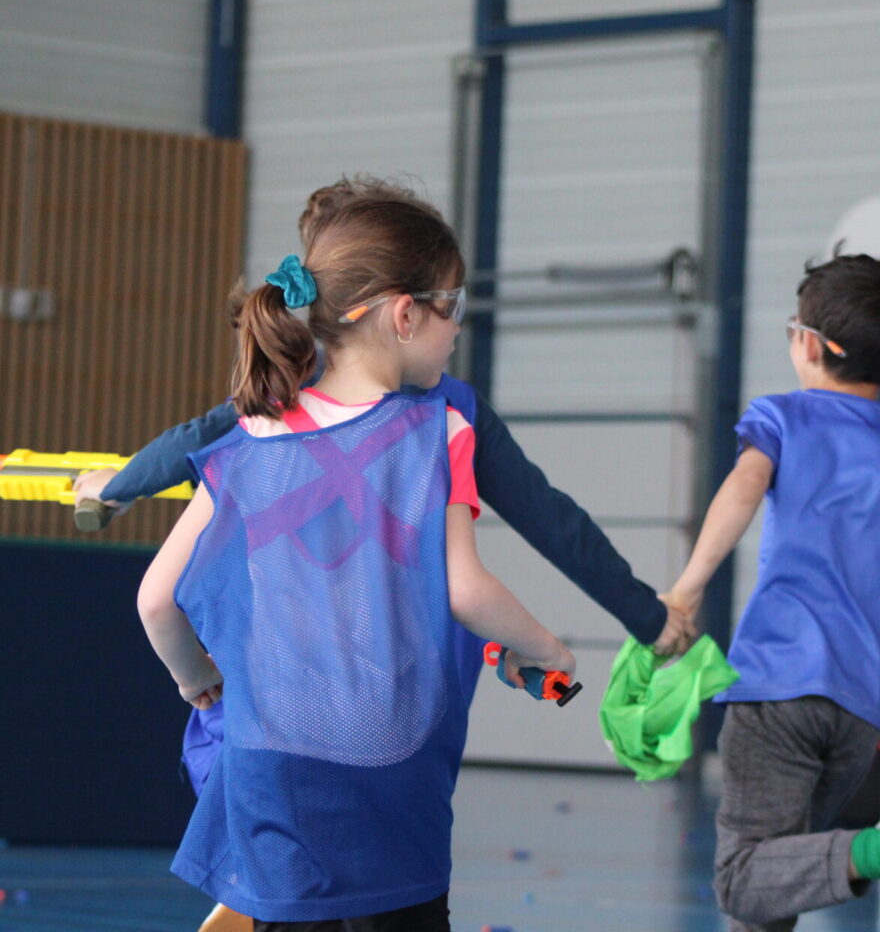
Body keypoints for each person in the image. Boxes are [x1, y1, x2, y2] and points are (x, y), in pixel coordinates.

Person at [135, 190, 575, 930]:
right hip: (389, 781)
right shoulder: (439, 431)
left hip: (272, 775)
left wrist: (196, 679)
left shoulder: (251, 438)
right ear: (405, 315)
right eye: (452, 307)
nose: (456, 328)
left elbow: (156, 598)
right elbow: (466, 591)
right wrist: (549, 649)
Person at [662, 252, 880, 931]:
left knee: (743, 878)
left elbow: (744, 487)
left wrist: (687, 590)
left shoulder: (784, 418)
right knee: (779, 880)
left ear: (809, 345)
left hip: (777, 687)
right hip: (862, 714)